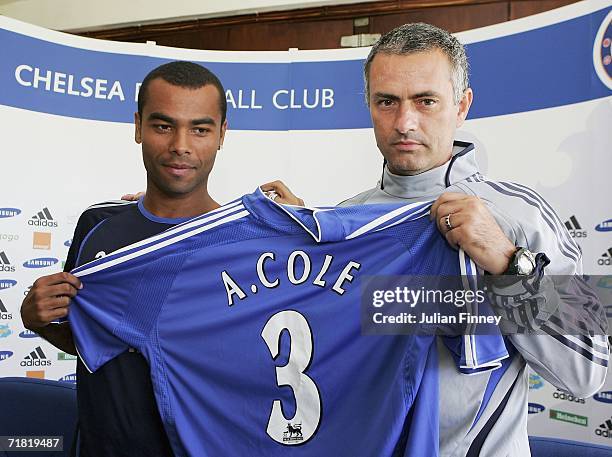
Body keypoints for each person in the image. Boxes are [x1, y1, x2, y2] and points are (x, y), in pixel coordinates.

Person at [264, 23, 609, 456]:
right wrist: (310, 239)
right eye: (387, 101)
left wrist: (509, 264)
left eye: (426, 101)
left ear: (461, 105)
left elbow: (587, 371)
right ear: (369, 106)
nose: (404, 122)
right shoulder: (347, 220)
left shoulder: (519, 215)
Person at [21, 60, 227, 457]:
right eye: (163, 125)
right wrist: (39, 320)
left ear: (222, 134)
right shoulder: (97, 226)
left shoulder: (245, 241)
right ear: (138, 126)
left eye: (199, 129)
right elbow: (93, 339)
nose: (180, 145)